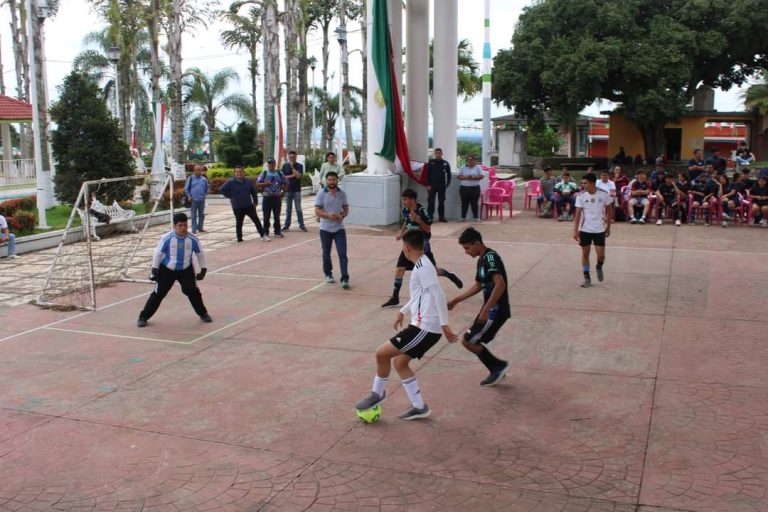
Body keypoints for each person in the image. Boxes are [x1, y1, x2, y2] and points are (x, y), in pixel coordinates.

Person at [355, 230, 458, 420]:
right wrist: (403, 311)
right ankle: (419, 407)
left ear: (407, 247)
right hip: (422, 326)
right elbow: (420, 294)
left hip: (424, 329)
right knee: (400, 362)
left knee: (381, 353)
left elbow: (439, 295)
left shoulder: (423, 267)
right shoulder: (422, 264)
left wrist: (445, 325)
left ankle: (377, 394)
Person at [448, 227, 510, 386]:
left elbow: (500, 284)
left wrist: (486, 309)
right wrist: (457, 300)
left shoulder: (490, 258)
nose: (466, 252)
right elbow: (478, 286)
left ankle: (498, 367)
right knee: (470, 340)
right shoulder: (481, 260)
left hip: (495, 311)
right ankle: (497, 367)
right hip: (490, 310)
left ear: (477, 244)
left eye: (467, 248)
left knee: (469, 341)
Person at [381, 189, 463, 308]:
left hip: (421, 246)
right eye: (402, 199)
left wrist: (418, 220)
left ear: (412, 200)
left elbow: (428, 229)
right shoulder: (405, 210)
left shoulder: (422, 211)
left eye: (405, 199)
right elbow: (406, 221)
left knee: (434, 272)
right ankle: (395, 298)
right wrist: (401, 232)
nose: (403, 202)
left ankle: (449, 274)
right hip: (408, 245)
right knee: (399, 269)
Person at [137, 212, 211, 327]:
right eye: (180, 225)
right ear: (174, 226)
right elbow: (158, 253)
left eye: (185, 225)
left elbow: (200, 253)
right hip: (167, 269)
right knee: (159, 293)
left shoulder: (193, 239)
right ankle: (143, 317)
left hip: (186, 269)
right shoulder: (167, 238)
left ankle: (203, 313)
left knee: (192, 291)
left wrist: (203, 268)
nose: (183, 228)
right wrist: (154, 269)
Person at [572, 173, 611, 288]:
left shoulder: (604, 194)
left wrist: (608, 226)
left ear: (593, 183)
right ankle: (586, 277)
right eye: (582, 183)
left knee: (601, 256)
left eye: (585, 183)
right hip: (585, 229)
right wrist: (575, 230)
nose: (583, 185)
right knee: (585, 254)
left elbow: (609, 210)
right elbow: (578, 214)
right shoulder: (581, 195)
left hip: (599, 229)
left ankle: (599, 266)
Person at [314, 172, 350, 287]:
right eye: (329, 180)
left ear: (337, 180)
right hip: (325, 229)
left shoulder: (342, 193)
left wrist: (342, 216)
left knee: (342, 254)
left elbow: (346, 209)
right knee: (326, 253)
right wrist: (329, 215)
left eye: (334, 180)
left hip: (339, 229)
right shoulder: (321, 194)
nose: (332, 182)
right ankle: (328, 274)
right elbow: (317, 211)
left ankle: (345, 278)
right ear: (326, 180)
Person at [219, 165, 270, 242]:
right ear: (235, 173)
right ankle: (239, 239)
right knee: (239, 223)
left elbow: (254, 192)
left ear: (243, 173)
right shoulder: (230, 182)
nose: (239, 173)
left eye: (240, 172)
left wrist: (255, 202)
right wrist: (230, 196)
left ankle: (263, 235)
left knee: (256, 221)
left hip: (249, 206)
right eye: (237, 172)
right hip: (237, 207)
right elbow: (221, 189)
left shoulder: (248, 181)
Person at [258, 158, 288, 238]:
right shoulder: (264, 173)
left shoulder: (280, 173)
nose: (271, 165)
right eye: (269, 164)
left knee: (277, 216)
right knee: (266, 216)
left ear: (275, 164)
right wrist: (265, 183)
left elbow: (286, 183)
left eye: (272, 164)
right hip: (267, 198)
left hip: (277, 198)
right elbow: (257, 184)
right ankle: (265, 232)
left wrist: (283, 192)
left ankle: (277, 232)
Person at [281, 150, 307, 232]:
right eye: (290, 157)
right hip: (288, 190)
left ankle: (302, 225)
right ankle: (286, 225)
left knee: (298, 208)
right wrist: (293, 175)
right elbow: (283, 178)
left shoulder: (300, 166)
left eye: (293, 157)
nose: (292, 158)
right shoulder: (284, 166)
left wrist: (292, 167)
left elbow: (298, 176)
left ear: (296, 157)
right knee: (288, 209)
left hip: (297, 190)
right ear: (288, 157)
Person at [424, 148, 451, 222]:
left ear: (442, 154)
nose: (438, 154)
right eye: (436, 153)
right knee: (431, 202)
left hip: (442, 186)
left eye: (439, 153)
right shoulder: (431, 162)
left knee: (441, 202)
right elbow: (427, 175)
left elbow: (449, 175)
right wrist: (428, 185)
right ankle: (430, 218)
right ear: (434, 154)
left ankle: (441, 217)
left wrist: (447, 184)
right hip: (432, 186)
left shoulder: (445, 163)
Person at [184, 165, 209, 233]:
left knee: (201, 215)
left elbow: (207, 188)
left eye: (200, 170)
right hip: (193, 200)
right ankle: (194, 229)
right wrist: (189, 196)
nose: (198, 171)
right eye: (197, 170)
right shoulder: (190, 178)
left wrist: (205, 195)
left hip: (202, 200)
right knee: (193, 215)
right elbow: (186, 189)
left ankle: (200, 228)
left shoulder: (204, 179)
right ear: (194, 171)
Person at [457, 154, 484, 221]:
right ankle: (463, 217)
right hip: (464, 188)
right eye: (468, 160)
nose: (470, 161)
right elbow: (458, 176)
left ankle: (476, 217)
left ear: (474, 161)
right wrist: (466, 177)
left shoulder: (478, 167)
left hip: (475, 188)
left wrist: (474, 177)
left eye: (471, 160)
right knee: (464, 203)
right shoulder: (463, 167)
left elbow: (481, 176)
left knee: (474, 203)